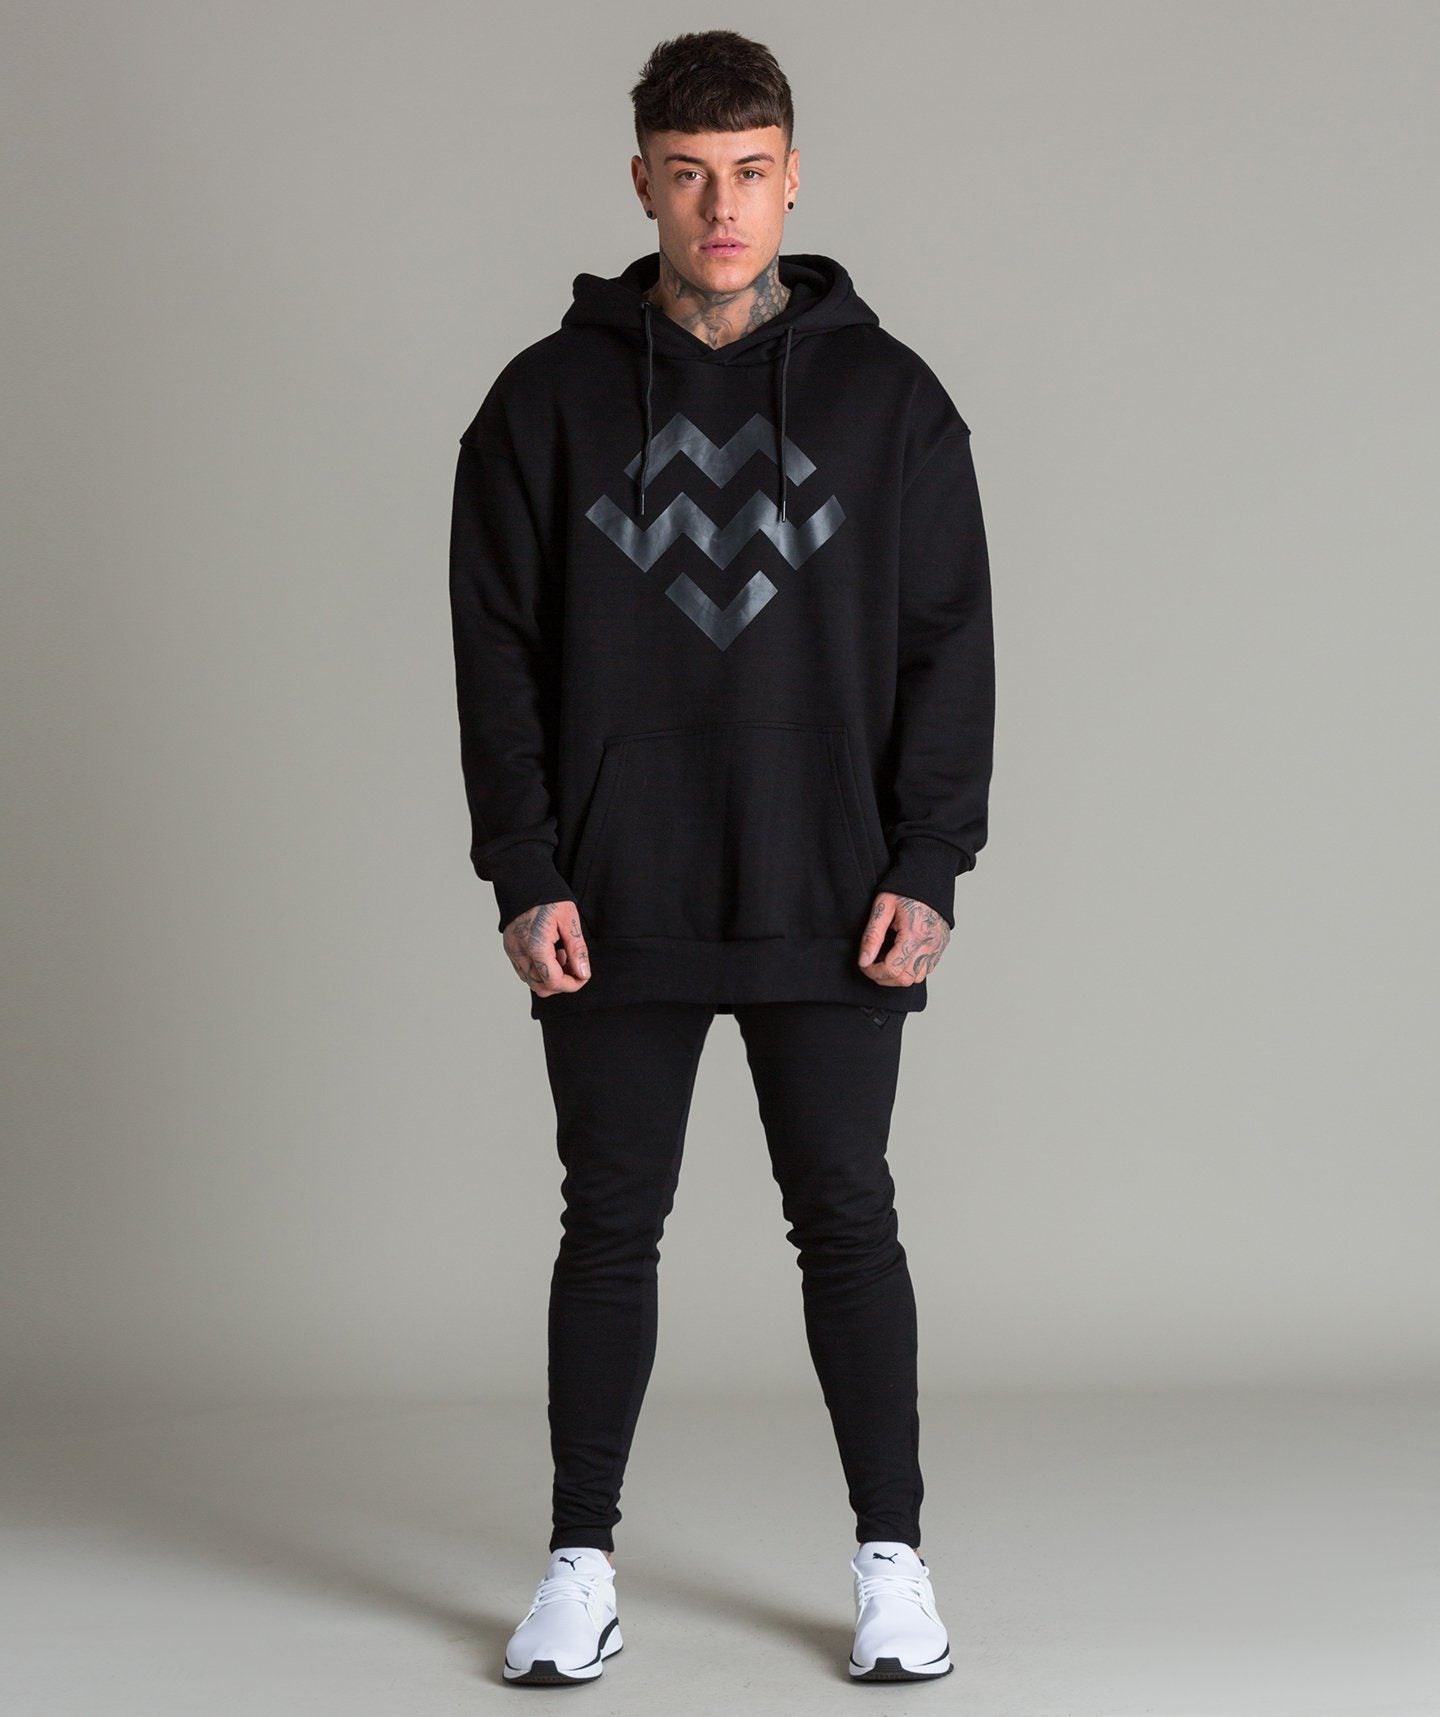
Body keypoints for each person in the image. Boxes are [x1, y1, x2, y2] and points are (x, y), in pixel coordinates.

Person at [449, 28, 995, 1688]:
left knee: (848, 1216)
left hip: (833, 890)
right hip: (616, 894)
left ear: (794, 176)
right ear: (641, 184)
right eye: (688, 176)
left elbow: (949, 645)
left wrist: (931, 858)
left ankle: (893, 1563)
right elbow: (494, 654)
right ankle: (578, 1563)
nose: (721, 207)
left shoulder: (893, 403)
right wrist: (524, 867)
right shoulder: (542, 403)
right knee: (608, 1222)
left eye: (750, 171)